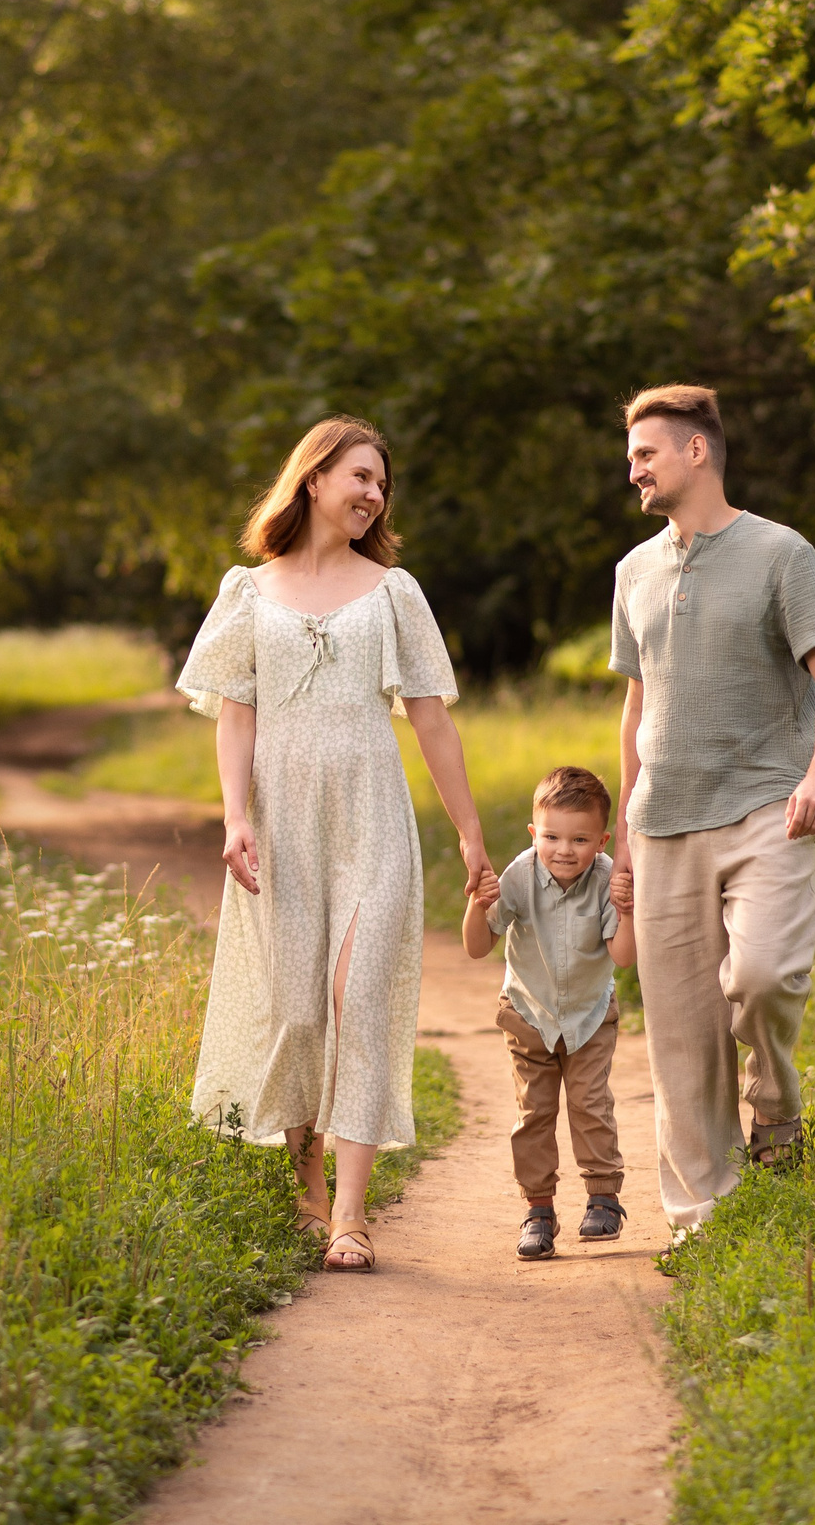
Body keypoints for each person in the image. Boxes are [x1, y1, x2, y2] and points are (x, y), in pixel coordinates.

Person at [177, 416, 494, 1272]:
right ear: (313, 478)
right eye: (360, 476)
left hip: (371, 815)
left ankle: (353, 1213)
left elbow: (430, 717)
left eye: (381, 483)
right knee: (297, 1009)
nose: (373, 494)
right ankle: (307, 1187)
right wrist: (236, 816)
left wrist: (470, 836)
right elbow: (235, 712)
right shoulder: (247, 589)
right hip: (282, 817)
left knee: (358, 997)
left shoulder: (394, 592)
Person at [605, 384, 815, 1241]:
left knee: (762, 979)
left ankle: (776, 1107)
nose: (632, 469)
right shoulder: (633, 572)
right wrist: (624, 842)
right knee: (680, 1038)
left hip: (765, 807)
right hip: (662, 819)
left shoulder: (782, 553)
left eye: (646, 453)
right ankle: (706, 1225)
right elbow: (637, 709)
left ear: (696, 451)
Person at [461, 765, 638, 1260]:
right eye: (553, 837)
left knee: (590, 1103)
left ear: (602, 840)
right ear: (534, 833)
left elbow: (623, 956)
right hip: (527, 1014)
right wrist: (478, 904)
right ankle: (538, 1209)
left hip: (588, 1015)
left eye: (580, 839)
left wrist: (628, 908)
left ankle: (603, 1197)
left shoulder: (607, 879)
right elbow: (477, 948)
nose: (565, 850)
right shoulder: (519, 875)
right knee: (534, 1113)